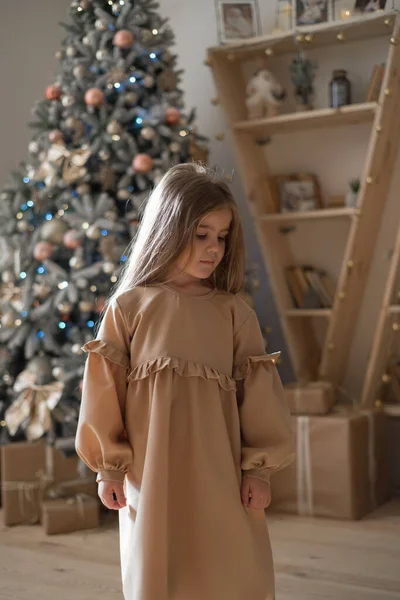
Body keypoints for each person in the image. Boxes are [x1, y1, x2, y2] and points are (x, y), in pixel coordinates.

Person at [75, 162, 294, 600]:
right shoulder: (130, 308)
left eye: (222, 236)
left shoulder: (234, 313)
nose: (214, 248)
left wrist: (259, 471)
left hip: (221, 472)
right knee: (159, 568)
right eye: (201, 234)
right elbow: (104, 394)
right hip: (151, 475)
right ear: (169, 228)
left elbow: (259, 401)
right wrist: (109, 469)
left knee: (233, 564)